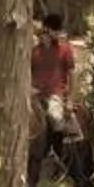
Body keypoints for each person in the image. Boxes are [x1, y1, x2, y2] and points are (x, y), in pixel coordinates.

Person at [31, 12, 79, 140]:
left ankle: (56, 152)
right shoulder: (33, 51)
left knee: (55, 118)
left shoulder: (65, 49)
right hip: (34, 95)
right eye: (55, 31)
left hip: (54, 95)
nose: (58, 34)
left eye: (58, 31)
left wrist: (69, 100)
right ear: (46, 30)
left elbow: (72, 74)